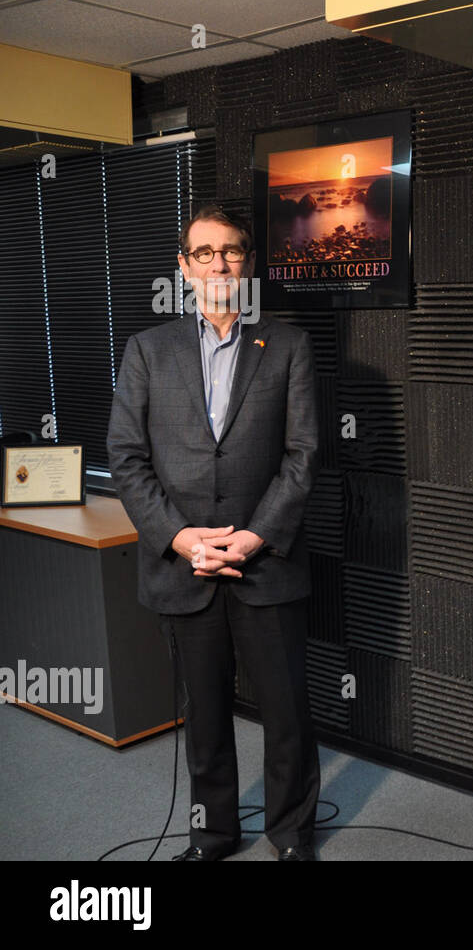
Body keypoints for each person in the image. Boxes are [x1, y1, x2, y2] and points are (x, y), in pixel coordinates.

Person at [107, 205, 321, 861]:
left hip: (265, 562)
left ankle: (290, 835)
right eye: (204, 253)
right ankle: (212, 833)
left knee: (286, 714)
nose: (219, 263)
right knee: (204, 720)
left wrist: (254, 537)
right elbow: (126, 456)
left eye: (231, 251)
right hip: (184, 567)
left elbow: (303, 453)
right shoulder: (147, 350)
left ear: (249, 262)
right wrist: (182, 540)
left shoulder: (288, 344)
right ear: (184, 266)